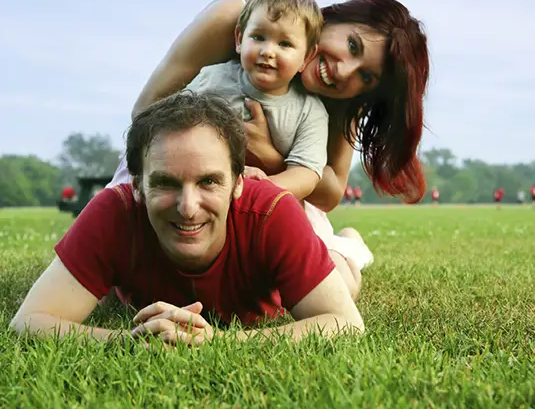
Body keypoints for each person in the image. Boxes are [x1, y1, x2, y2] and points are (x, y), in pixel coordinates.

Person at [128, 0, 430, 298]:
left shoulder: (335, 104)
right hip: (177, 167)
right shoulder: (238, 20)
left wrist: (267, 153)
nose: (343, 71)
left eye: (366, 77)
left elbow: (328, 194)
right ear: (332, 18)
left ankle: (344, 247)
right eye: (352, 45)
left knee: (327, 286)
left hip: (271, 192)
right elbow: (145, 111)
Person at [11, 92, 364, 345]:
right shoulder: (112, 209)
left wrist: (221, 342)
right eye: (166, 182)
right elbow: (28, 322)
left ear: (239, 183)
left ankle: (350, 243)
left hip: (292, 264)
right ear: (137, 186)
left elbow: (346, 323)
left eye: (209, 181)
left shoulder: (272, 210)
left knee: (345, 279)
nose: (188, 207)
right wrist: (129, 340)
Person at [111, 0, 328, 203]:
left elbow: (306, 174)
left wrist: (259, 188)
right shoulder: (213, 79)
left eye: (285, 44)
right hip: (195, 192)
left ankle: (348, 238)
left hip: (260, 202)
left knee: (307, 233)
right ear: (239, 40)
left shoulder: (309, 110)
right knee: (119, 207)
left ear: (307, 57)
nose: (267, 51)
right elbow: (170, 123)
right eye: (258, 37)